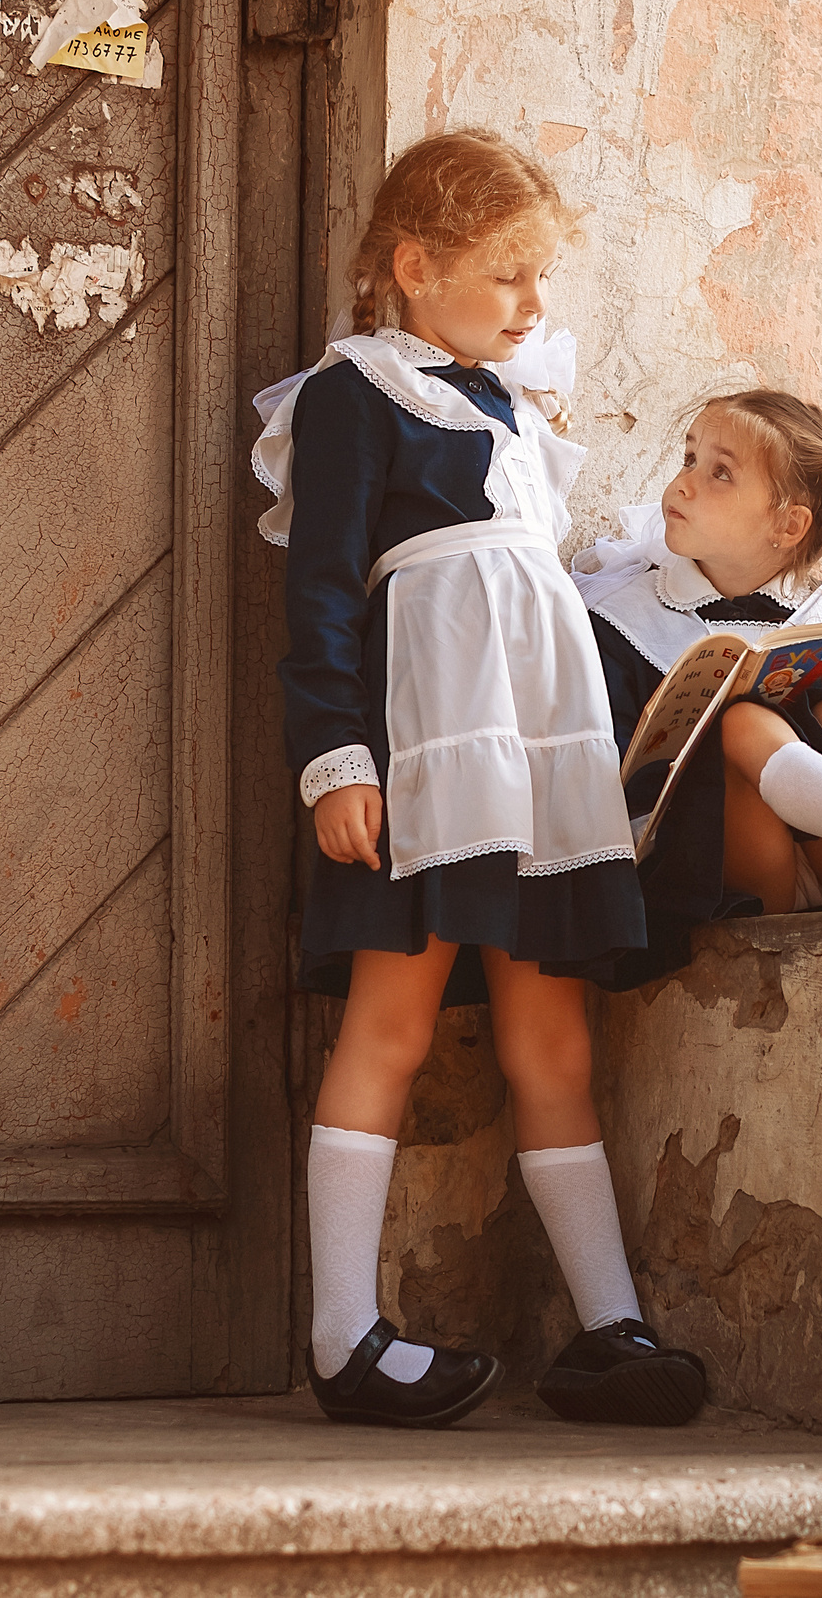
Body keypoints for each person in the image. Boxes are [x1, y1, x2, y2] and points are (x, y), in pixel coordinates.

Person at [253, 128, 707, 1430]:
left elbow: (541, 596)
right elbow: (324, 590)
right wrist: (333, 756)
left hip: (539, 764)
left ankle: (609, 1326)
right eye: (508, 275)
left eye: (539, 277)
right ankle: (346, 1335)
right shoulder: (354, 396)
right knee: (390, 1024)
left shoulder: (513, 409)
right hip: (429, 757)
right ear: (414, 265)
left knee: (549, 1033)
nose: (533, 304)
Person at [571, 390, 822, 990]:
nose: (684, 483)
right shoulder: (622, 615)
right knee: (740, 721)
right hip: (724, 872)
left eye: (720, 473)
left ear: (787, 525)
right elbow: (606, 781)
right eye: (689, 459)